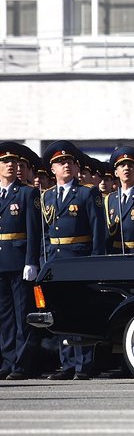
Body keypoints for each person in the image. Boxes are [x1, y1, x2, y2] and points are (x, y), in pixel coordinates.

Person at [41, 141, 106, 380]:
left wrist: (96, 261)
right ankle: (66, 363)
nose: (65, 165)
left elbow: (98, 231)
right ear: (53, 169)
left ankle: (83, 365)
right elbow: (44, 233)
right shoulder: (47, 196)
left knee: (81, 312)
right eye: (60, 162)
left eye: (69, 162)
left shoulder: (88, 192)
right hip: (57, 260)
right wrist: (42, 259)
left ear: (76, 167)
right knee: (61, 312)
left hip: (80, 258)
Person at [0, 142, 42, 379]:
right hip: (1, 260)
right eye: (5, 162)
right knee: (4, 317)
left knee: (22, 315)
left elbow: (33, 230)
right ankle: (7, 361)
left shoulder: (26, 193)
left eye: (13, 162)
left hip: (19, 261)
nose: (10, 165)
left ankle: (21, 363)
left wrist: (31, 261)